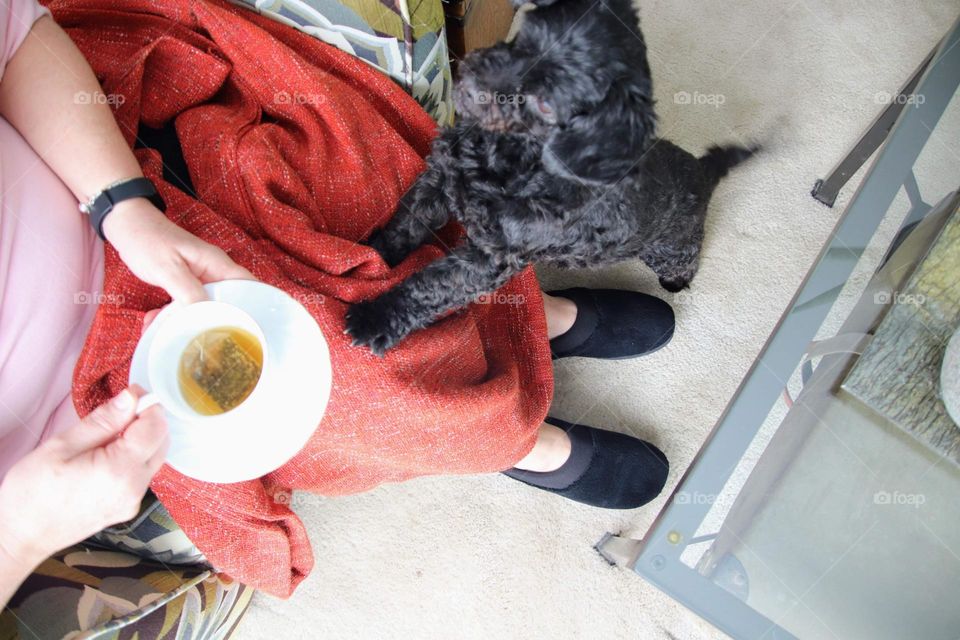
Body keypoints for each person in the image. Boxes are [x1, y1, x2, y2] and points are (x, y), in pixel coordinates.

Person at [0, 0, 673, 609]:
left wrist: (122, 208)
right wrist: (21, 530)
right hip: (107, 386)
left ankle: (525, 316)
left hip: (110, 169)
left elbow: (20, 38)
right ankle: (511, 439)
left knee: (365, 186)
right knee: (359, 379)